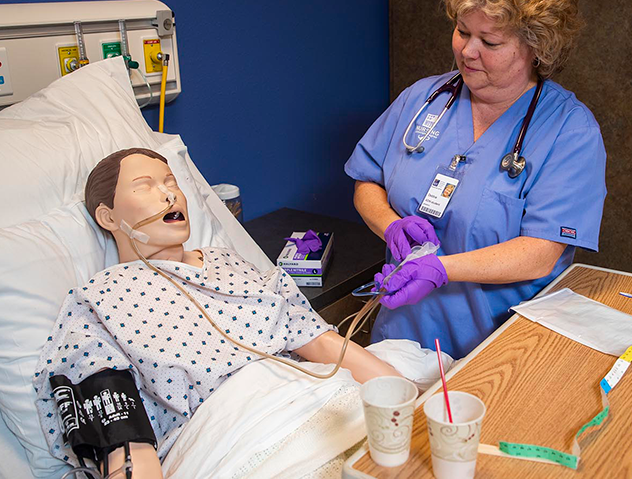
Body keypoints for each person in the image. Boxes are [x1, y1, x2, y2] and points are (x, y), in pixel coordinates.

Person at [33, 148, 400, 477]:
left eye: (171, 182)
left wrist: (404, 396)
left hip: (322, 399)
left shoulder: (227, 262)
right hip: (231, 436)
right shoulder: (100, 301)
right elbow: (121, 433)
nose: (168, 193)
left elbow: (318, 341)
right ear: (108, 217)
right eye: (144, 186)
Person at [345, 0, 607, 359]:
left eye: (490, 41)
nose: (467, 51)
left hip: (500, 351)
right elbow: (367, 179)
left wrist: (440, 270)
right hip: (400, 341)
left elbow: (540, 254)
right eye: (462, 31)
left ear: (536, 46)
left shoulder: (569, 132)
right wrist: (390, 225)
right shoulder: (422, 100)